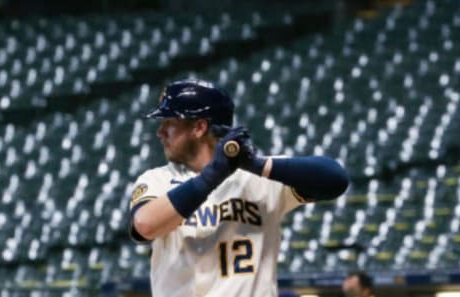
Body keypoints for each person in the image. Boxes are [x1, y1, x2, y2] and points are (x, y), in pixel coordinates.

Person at [128, 79, 349, 297]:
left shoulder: (259, 177)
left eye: (169, 123)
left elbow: (335, 179)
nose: (160, 132)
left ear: (199, 127)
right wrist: (212, 175)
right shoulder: (158, 179)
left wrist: (257, 164)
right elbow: (145, 226)